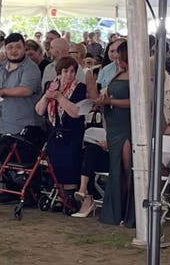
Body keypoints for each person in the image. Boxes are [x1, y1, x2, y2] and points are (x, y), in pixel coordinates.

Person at [36, 56, 89, 215]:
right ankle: (58, 196)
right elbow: (39, 110)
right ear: (59, 72)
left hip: (72, 132)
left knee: (70, 164)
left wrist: (59, 97)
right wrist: (47, 96)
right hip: (54, 131)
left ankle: (70, 197)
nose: (69, 75)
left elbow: (75, 112)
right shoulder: (50, 86)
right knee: (56, 164)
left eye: (72, 71)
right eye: (66, 71)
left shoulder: (79, 88)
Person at [95, 42, 134, 227]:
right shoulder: (118, 74)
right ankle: (115, 209)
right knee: (116, 167)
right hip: (114, 125)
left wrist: (112, 101)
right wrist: (103, 101)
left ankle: (127, 209)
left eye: (120, 58)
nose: (118, 61)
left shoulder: (137, 76)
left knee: (126, 167)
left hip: (127, 126)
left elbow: (135, 101)